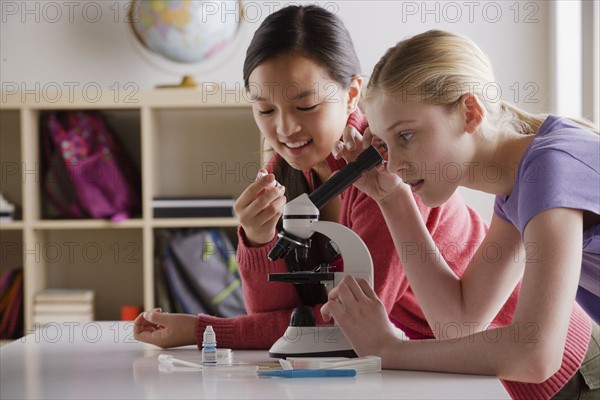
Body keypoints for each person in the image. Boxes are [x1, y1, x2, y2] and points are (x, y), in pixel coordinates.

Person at [133, 6, 503, 355]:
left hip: (493, 357)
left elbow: (347, 325)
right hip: (412, 359)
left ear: (352, 94)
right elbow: (279, 317)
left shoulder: (386, 168)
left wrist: (203, 331)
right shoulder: (287, 167)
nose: (284, 128)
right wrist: (258, 239)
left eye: (306, 107)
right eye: (264, 109)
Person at [322, 30, 599, 400]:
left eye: (406, 136)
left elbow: (536, 354)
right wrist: (392, 199)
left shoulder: (550, 167)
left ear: (469, 113)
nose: (395, 163)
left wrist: (391, 350)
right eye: (385, 145)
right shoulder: (518, 183)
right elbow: (459, 323)